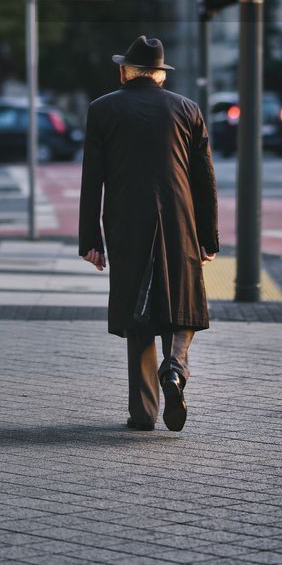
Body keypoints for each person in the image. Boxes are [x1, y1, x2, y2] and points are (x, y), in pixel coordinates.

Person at [78, 35, 218, 433]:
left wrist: (90, 239)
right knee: (185, 302)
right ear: (160, 74)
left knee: (137, 314)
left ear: (125, 71)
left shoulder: (102, 109)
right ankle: (175, 368)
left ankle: (142, 413)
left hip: (125, 222)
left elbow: (93, 180)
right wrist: (208, 237)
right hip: (179, 219)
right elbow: (204, 180)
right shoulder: (187, 109)